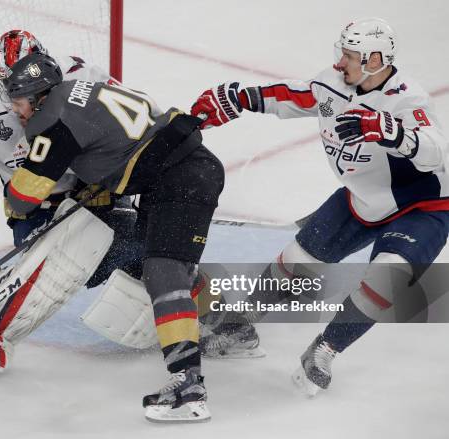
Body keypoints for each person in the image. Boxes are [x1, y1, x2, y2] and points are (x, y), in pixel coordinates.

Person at [191, 17, 449, 396]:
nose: (339, 63)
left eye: (349, 56)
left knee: (386, 280)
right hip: (360, 200)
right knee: (293, 262)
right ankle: (238, 328)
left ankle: (324, 350)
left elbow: (437, 151)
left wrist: (394, 133)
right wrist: (238, 97)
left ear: (375, 60)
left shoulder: (408, 99)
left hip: (421, 207)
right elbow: (291, 96)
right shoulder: (332, 85)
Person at [2, 51, 225, 422]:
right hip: (178, 170)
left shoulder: (50, 118)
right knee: (147, 260)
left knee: (163, 270)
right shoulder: (78, 88)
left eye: (20, 103)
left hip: (180, 179)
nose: (18, 112)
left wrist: (13, 202)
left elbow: (24, 199)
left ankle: (189, 387)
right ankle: (232, 327)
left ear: (39, 96)